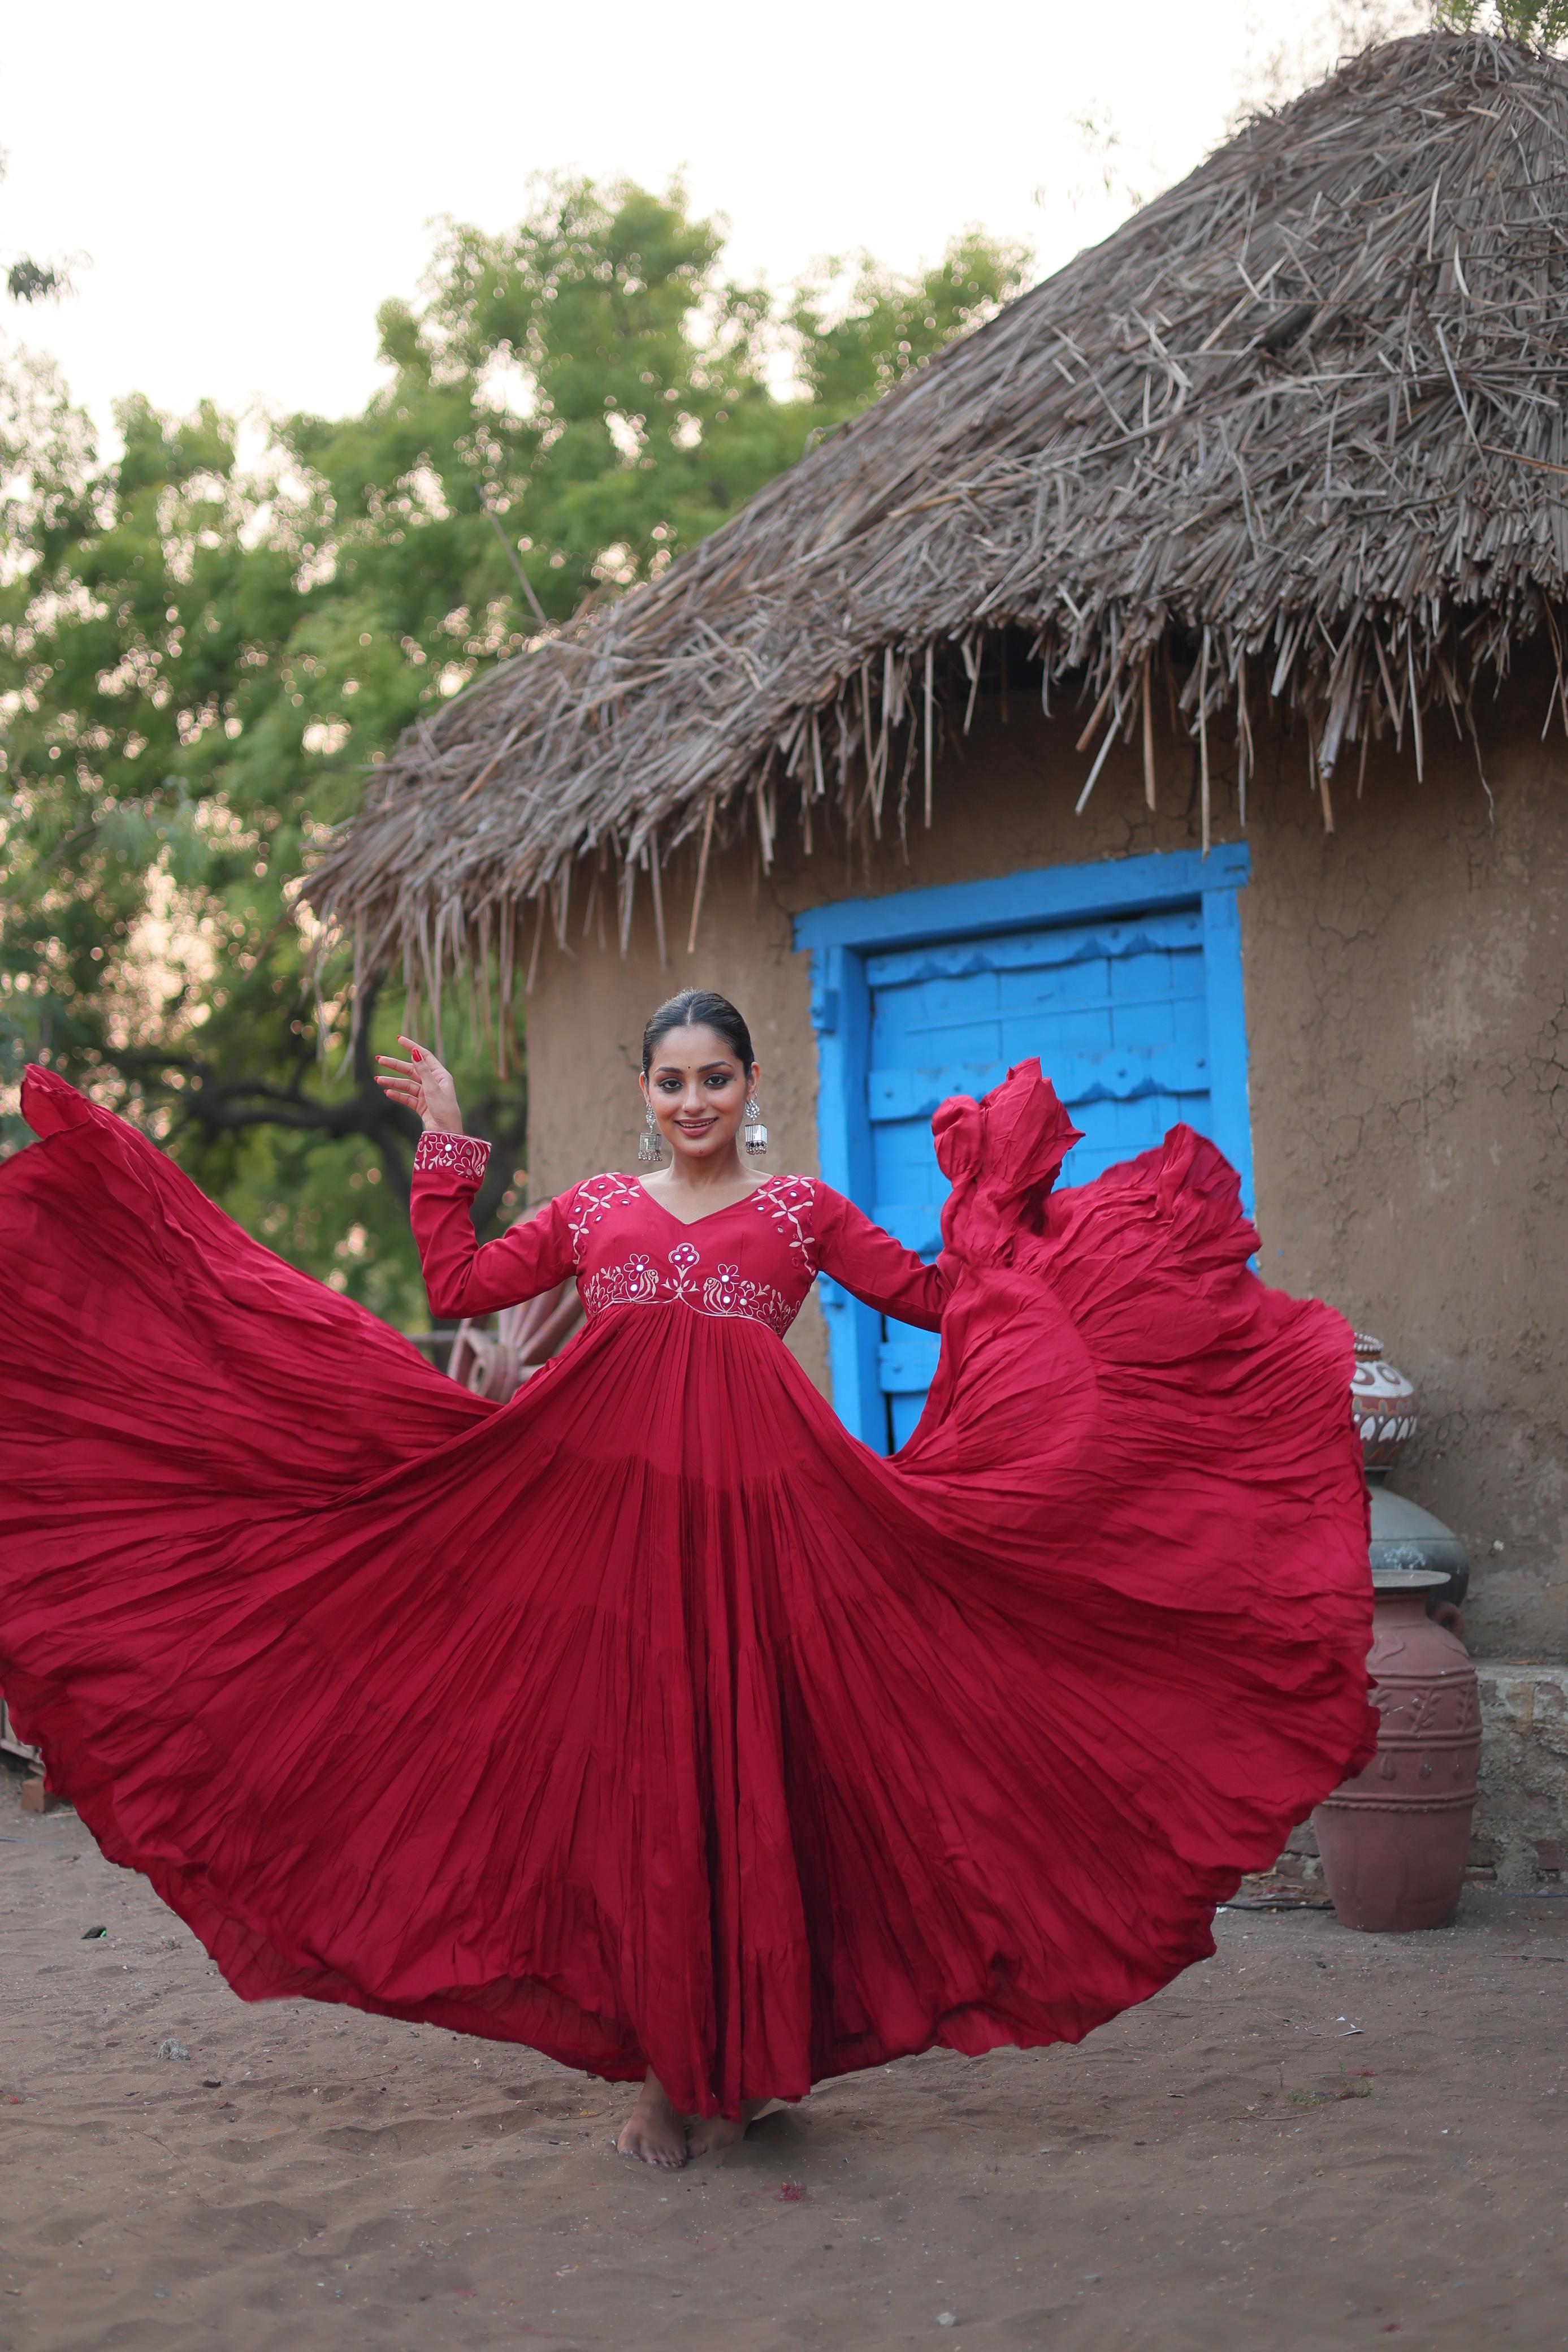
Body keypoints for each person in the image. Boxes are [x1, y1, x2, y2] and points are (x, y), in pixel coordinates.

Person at [0, 988, 1374, 2171]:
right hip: (615, 1540)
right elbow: (462, 1282)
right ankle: (670, 2075)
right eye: (671, 1081)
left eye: (716, 1077)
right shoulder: (597, 1210)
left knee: (769, 1776)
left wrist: (1008, 1235)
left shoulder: (801, 1210)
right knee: (650, 1785)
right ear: (643, 1093)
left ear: (750, 1084)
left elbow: (933, 1301)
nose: (694, 1098)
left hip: (778, 1530)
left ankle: (762, 2057)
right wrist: (447, 1140)